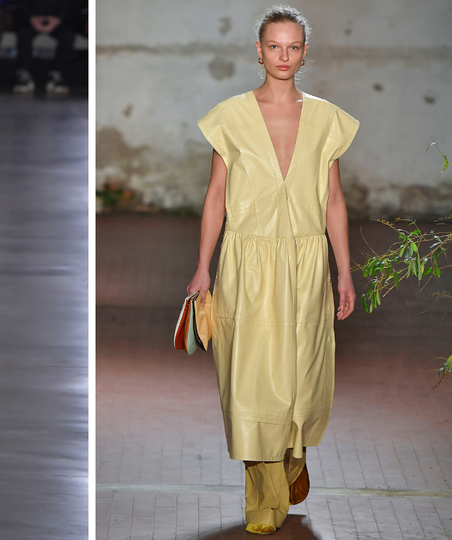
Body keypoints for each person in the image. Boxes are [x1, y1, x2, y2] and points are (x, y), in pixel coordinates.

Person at [187, 5, 358, 535]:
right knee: (250, 379)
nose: (283, 56)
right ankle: (263, 494)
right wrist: (202, 268)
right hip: (245, 259)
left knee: (302, 374)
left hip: (307, 262)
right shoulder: (230, 116)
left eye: (293, 46)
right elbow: (216, 196)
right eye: (274, 46)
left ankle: (292, 457)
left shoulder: (327, 118)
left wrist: (345, 271)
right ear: (258, 51)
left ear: (304, 53)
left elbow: (333, 200)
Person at [13, 0, 78, 94]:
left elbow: (69, 5)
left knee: (67, 35)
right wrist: (32, 18)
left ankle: (58, 72)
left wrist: (58, 18)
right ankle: (24, 72)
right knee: (24, 34)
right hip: (30, 18)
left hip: (59, 19)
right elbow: (22, 4)